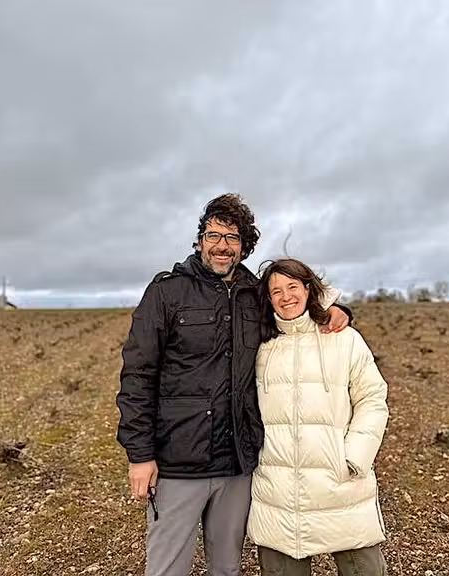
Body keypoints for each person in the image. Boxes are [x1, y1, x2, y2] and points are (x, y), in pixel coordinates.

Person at [116, 195, 351, 576]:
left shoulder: (255, 295)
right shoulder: (166, 292)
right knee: (166, 569)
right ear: (199, 240)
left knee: (227, 569)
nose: (222, 245)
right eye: (214, 235)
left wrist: (339, 312)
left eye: (233, 237)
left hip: (237, 464)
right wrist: (140, 455)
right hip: (179, 462)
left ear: (244, 246)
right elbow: (138, 376)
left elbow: (297, 307)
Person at [247, 258, 389, 576]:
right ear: (267, 299)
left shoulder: (344, 338)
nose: (285, 297)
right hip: (278, 491)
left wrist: (354, 456)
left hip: (341, 484)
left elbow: (372, 399)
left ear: (309, 288)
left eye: (293, 287)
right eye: (276, 291)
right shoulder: (258, 345)